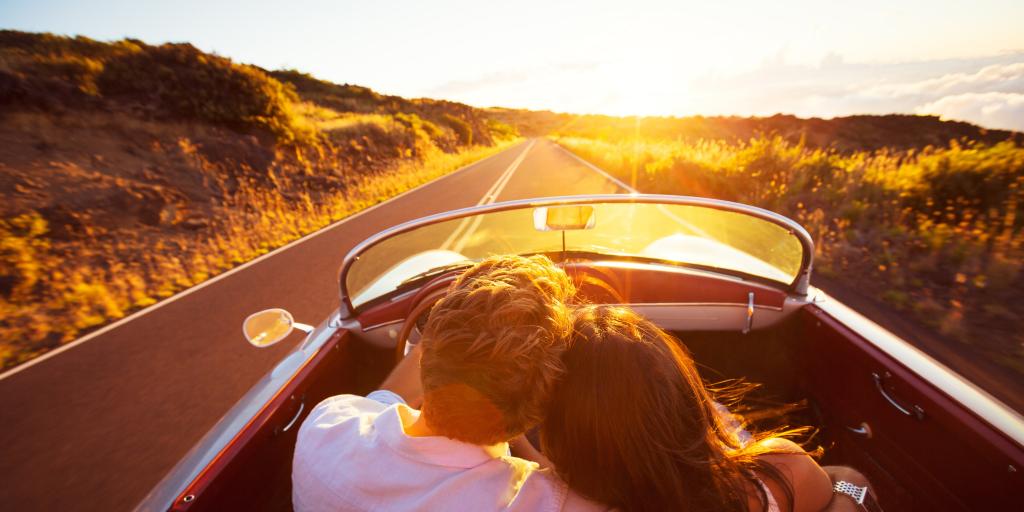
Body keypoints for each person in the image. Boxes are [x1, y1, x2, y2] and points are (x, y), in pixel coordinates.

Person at [292, 255, 606, 511]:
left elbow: (385, 400)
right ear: (537, 409)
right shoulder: (537, 500)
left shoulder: (325, 427)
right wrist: (519, 435)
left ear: (425, 352)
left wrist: (448, 340)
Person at [528, 305, 874, 512]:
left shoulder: (562, 498)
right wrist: (847, 487)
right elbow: (851, 484)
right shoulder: (779, 472)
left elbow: (558, 478)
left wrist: (516, 441)